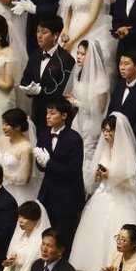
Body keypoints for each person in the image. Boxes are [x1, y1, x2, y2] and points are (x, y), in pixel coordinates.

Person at [69, 114, 136, 271]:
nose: (106, 135)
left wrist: (111, 176)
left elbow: (132, 185)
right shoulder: (103, 150)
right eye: (104, 131)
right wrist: (98, 175)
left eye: (109, 131)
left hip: (120, 200)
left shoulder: (125, 154)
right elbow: (95, 178)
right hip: (101, 198)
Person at [33, 98, 83, 243]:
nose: (48, 116)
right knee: (46, 232)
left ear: (64, 115)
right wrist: (41, 162)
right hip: (48, 192)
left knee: (64, 236)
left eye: (52, 113)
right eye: (47, 113)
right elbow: (40, 165)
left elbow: (72, 171)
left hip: (67, 195)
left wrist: (49, 163)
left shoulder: (74, 139)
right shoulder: (43, 134)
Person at [19, 14, 74, 131]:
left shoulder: (66, 59)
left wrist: (40, 91)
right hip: (37, 111)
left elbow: (63, 90)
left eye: (44, 32)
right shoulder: (35, 55)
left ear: (56, 35)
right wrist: (28, 88)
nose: (39, 35)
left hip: (57, 115)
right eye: (38, 31)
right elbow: (25, 79)